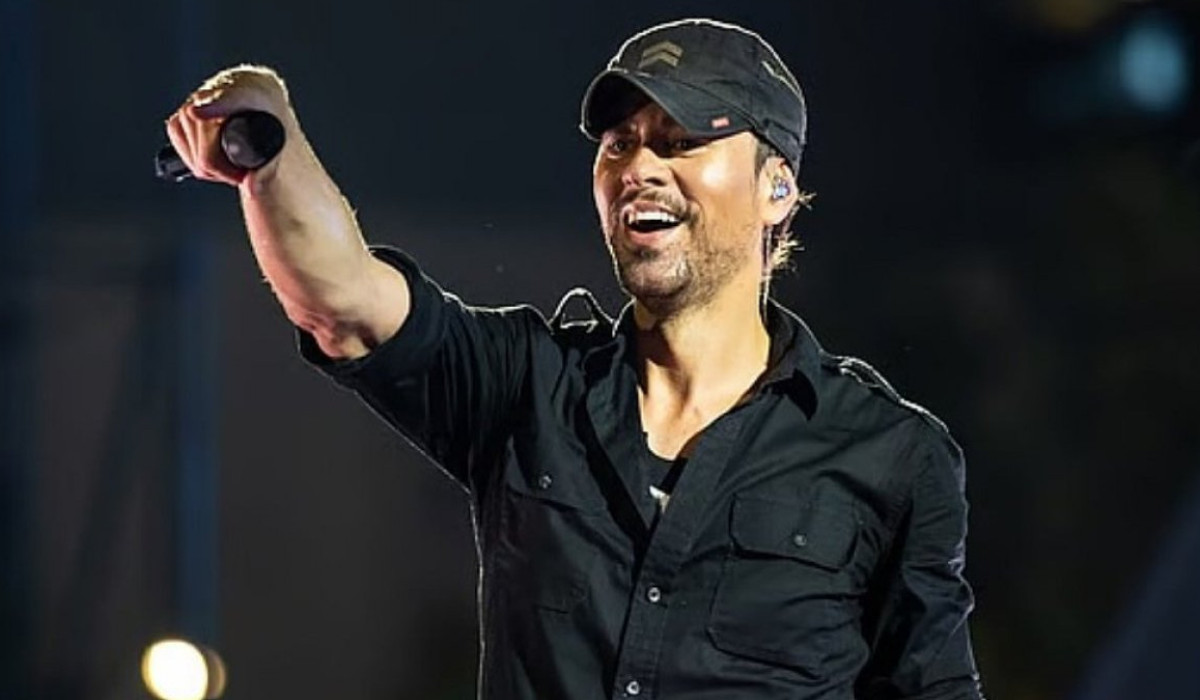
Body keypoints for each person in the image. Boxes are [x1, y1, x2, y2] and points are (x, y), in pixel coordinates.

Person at [166, 17, 984, 700]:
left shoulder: (890, 456)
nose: (640, 169)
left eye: (681, 142)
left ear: (776, 187)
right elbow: (344, 302)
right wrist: (266, 134)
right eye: (620, 144)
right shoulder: (529, 387)